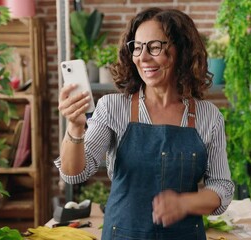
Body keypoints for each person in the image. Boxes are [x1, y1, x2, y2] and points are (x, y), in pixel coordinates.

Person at [55, 7, 235, 240]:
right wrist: (75, 126)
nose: (143, 57)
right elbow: (75, 173)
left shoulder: (208, 116)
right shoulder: (112, 107)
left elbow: (222, 187)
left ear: (182, 50)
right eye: (137, 47)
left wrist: (186, 203)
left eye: (155, 47)